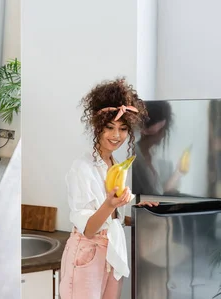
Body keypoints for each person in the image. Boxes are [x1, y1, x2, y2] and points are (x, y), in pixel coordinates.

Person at [59, 78, 159, 299]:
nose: (116, 136)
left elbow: (112, 218)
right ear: (98, 126)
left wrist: (136, 212)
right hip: (87, 253)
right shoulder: (82, 168)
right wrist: (109, 204)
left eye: (123, 129)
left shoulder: (114, 165)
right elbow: (88, 229)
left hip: (111, 251)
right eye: (110, 127)